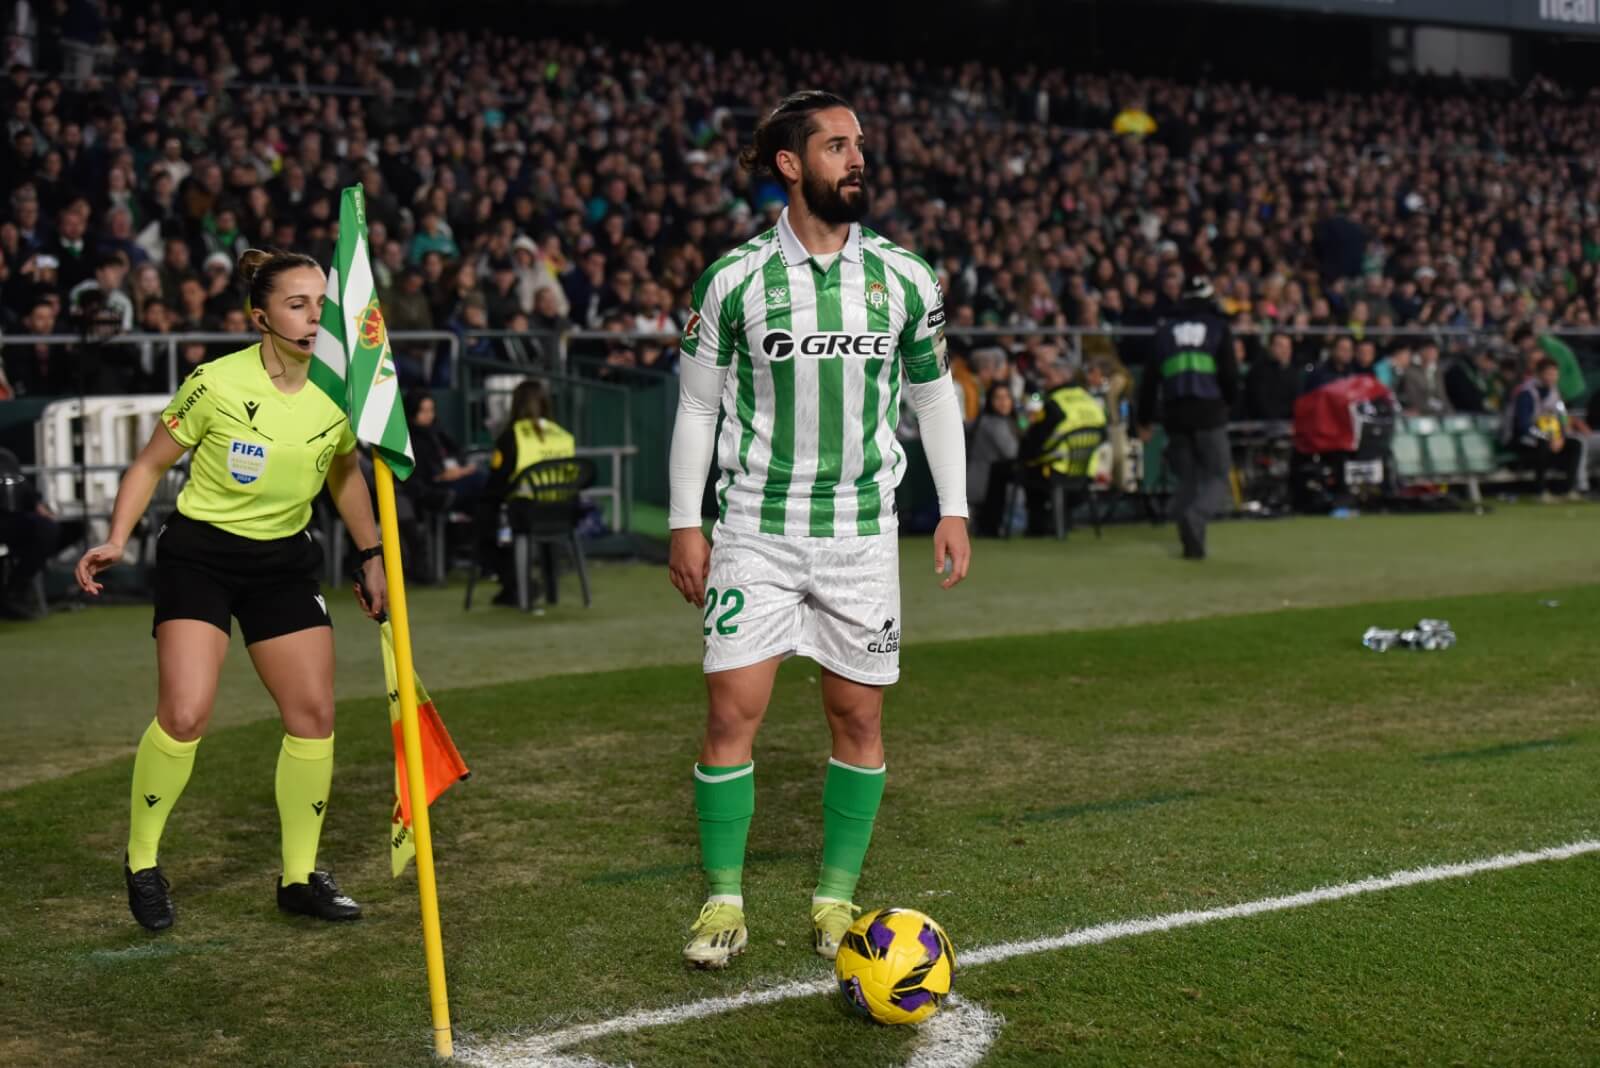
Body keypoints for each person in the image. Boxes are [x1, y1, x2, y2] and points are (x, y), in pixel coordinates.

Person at [666, 90, 971, 970]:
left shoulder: (907, 277)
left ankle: (835, 900)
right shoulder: (733, 279)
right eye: (838, 146)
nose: (858, 158)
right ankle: (724, 898)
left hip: (860, 534)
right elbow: (695, 405)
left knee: (857, 716)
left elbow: (932, 397)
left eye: (861, 144)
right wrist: (688, 523)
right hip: (755, 529)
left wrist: (952, 506)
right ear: (791, 165)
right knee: (733, 710)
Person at [72, 248, 388, 932]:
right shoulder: (214, 383)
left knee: (314, 715)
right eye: (295, 304)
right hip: (201, 559)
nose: (312, 317)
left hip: (283, 564)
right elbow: (150, 462)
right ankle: (143, 860)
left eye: (319, 304)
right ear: (261, 317)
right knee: (185, 714)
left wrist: (371, 554)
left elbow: (345, 475)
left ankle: (299, 878)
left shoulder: (342, 388)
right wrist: (118, 538)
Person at [1137, 273, 1238, 560]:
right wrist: (1228, 404)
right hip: (1209, 412)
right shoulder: (1218, 328)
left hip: (1175, 415)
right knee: (1218, 475)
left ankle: (1192, 546)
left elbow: (1149, 381)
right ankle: (1195, 517)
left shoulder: (1165, 331)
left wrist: (1145, 419)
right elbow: (1229, 375)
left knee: (1189, 479)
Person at [480, 378, 575, 607]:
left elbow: (497, 481)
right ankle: (547, 587)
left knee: (484, 517)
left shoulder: (511, 436)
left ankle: (513, 584)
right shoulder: (562, 434)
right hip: (563, 511)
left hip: (525, 511)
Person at [1503, 358, 1585, 502]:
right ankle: (1541, 492)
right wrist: (1548, 438)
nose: (1552, 378)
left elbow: (1562, 417)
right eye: (1548, 374)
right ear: (1539, 374)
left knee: (1575, 444)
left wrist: (1562, 438)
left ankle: (1569, 489)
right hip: (1522, 439)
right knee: (1542, 444)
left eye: (1555, 374)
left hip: (1549, 438)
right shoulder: (1526, 393)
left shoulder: (1555, 394)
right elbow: (1523, 426)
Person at [967, 382, 1021, 536]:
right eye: (998, 398)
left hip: (986, 483)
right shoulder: (992, 423)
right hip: (986, 484)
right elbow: (1012, 452)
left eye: (1006, 397)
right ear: (990, 401)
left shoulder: (996, 420)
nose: (1003, 402)